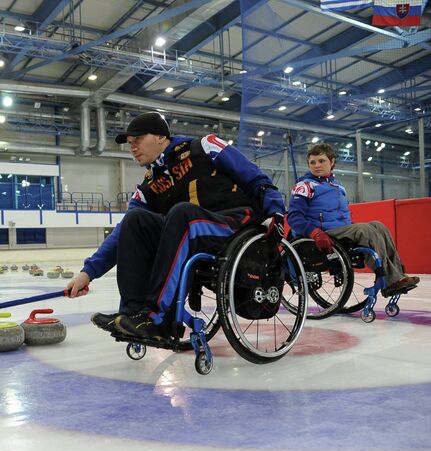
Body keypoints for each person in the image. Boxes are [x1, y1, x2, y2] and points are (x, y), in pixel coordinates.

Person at [65, 112, 286, 341]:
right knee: (134, 220)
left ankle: (157, 318)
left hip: (233, 223)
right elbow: (122, 234)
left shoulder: (205, 146)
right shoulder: (148, 186)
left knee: (182, 213)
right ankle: (132, 315)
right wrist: (88, 273)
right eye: (130, 144)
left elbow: (255, 178)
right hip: (189, 227)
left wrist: (275, 212)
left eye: (137, 140)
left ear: (161, 137)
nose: (132, 147)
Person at [287, 143, 420, 296]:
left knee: (379, 226)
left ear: (332, 162)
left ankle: (399, 274)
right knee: (365, 230)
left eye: (321, 161)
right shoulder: (305, 185)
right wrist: (314, 232)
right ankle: (391, 281)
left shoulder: (338, 185)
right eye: (312, 162)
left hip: (340, 230)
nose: (317, 165)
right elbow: (294, 217)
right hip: (323, 232)